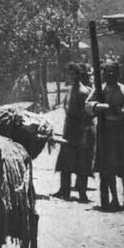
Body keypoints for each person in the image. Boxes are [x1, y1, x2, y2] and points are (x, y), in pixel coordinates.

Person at [86, 59, 124, 211]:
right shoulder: (99, 89)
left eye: (113, 72)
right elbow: (88, 105)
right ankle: (113, 198)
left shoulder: (123, 89)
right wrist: (101, 107)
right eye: (107, 71)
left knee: (122, 167)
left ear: (118, 73)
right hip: (105, 132)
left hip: (121, 132)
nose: (110, 74)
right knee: (108, 168)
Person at [53, 63, 94, 202]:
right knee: (65, 161)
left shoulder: (83, 92)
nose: (70, 76)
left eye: (72, 74)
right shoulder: (70, 90)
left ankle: (82, 193)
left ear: (78, 75)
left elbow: (86, 115)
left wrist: (84, 134)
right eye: (68, 74)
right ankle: (64, 192)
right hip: (69, 128)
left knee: (81, 163)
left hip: (80, 129)